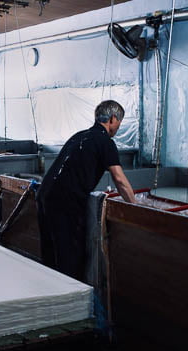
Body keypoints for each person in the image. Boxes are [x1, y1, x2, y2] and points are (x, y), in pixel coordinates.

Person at [36, 99, 136, 281]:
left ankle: (51, 300)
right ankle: (71, 304)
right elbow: (120, 179)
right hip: (65, 203)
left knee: (51, 255)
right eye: (119, 122)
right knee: (69, 259)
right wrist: (136, 207)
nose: (118, 127)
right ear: (113, 119)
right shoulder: (105, 141)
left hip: (45, 196)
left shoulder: (80, 135)